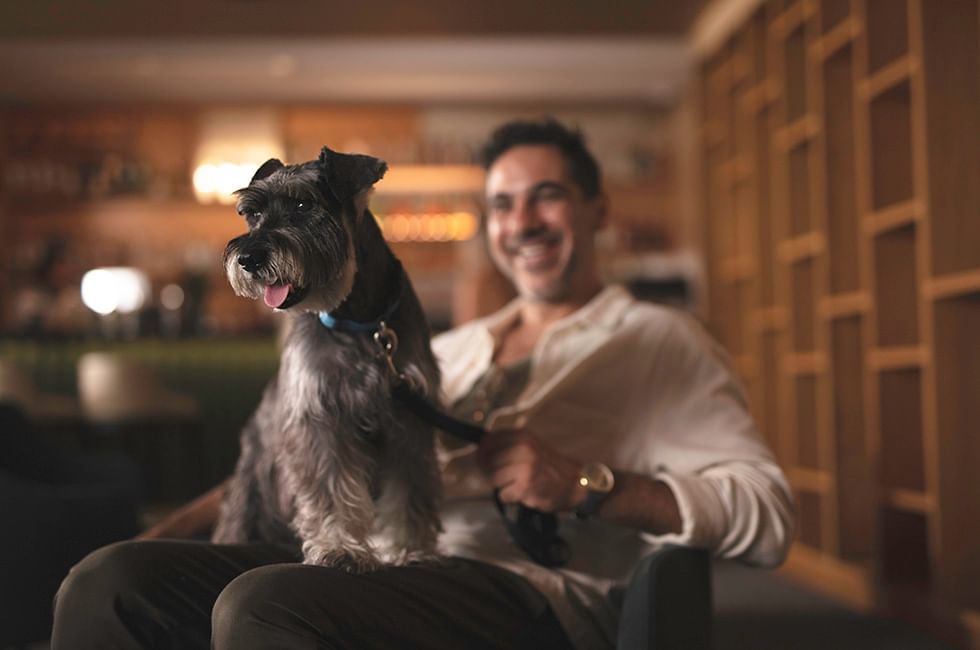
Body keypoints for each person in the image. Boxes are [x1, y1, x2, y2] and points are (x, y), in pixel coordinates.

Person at [51, 119, 793, 649]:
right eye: (502, 204)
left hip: (515, 585)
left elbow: (766, 513)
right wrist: (168, 532)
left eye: (548, 196)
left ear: (600, 209)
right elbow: (299, 440)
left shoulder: (662, 339)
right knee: (108, 580)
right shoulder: (449, 344)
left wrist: (586, 484)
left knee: (266, 604)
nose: (522, 221)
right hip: (362, 559)